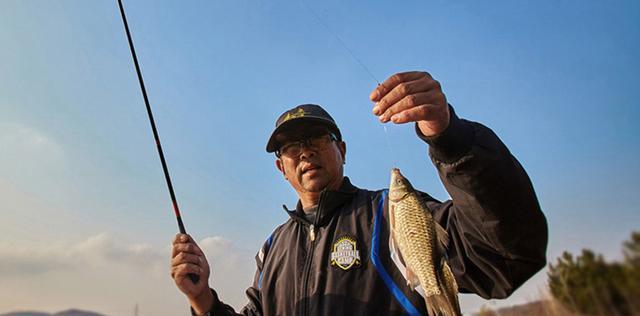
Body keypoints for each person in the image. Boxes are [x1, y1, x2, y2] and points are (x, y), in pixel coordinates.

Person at [170, 71, 548, 316]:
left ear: (343, 151)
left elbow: (504, 254)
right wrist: (203, 301)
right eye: (291, 147)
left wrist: (450, 137)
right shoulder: (272, 249)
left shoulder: (392, 213)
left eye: (318, 138)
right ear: (280, 168)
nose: (305, 151)